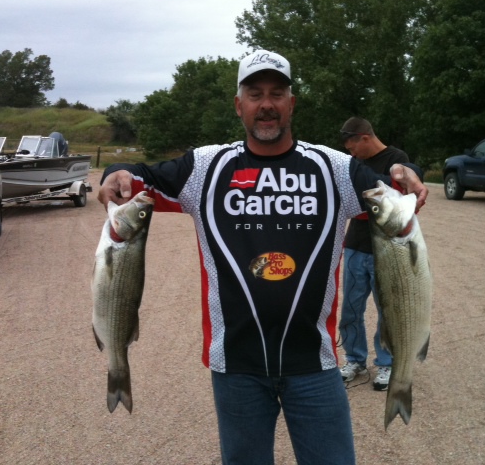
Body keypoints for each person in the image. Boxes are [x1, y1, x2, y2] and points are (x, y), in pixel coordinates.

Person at [98, 50, 428, 465]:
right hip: (236, 367)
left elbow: (394, 191)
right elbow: (137, 177)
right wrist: (115, 170)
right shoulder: (206, 167)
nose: (266, 104)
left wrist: (409, 172)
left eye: (277, 94)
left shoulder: (333, 168)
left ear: (292, 103)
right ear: (239, 105)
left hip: (315, 363)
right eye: (255, 94)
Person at [338, 117, 410, 391]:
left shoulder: (397, 159)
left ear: (365, 138)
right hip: (355, 245)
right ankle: (354, 360)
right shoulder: (354, 163)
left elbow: (396, 197)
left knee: (387, 309)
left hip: (386, 249)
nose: (351, 154)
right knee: (351, 308)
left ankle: (386, 363)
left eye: (352, 147)